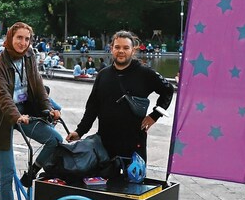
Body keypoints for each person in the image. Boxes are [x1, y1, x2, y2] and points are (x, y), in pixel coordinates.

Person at [0, 22, 62, 200]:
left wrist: (48, 109)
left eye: (27, 39)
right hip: (4, 116)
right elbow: (2, 94)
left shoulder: (29, 57)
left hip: (26, 111)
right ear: (10, 37)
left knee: (55, 139)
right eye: (19, 38)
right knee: (7, 170)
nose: (23, 43)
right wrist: (15, 116)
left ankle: (31, 174)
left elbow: (38, 86)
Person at [66, 30, 174, 163]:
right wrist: (79, 131)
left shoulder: (144, 73)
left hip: (134, 143)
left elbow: (168, 90)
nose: (121, 51)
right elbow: (92, 106)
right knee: (105, 182)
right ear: (111, 49)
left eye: (126, 48)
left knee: (133, 183)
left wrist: (155, 115)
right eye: (117, 47)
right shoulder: (103, 75)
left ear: (133, 50)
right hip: (105, 143)